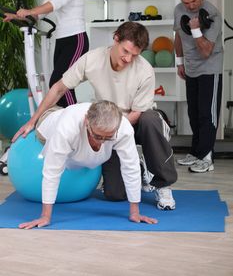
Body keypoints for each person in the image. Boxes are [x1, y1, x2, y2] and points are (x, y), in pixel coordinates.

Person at [13, 21, 177, 211]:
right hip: (107, 121)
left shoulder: (145, 71)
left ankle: (163, 184)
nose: (128, 59)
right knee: (115, 194)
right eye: (125, 51)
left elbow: (137, 113)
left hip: (135, 121)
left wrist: (110, 132)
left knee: (150, 119)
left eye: (134, 55)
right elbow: (59, 88)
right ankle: (141, 170)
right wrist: (33, 121)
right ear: (116, 38)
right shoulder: (92, 59)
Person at [18, 100, 157, 229]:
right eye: (97, 136)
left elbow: (130, 167)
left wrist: (134, 212)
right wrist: (45, 216)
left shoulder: (123, 128)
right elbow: (52, 171)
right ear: (86, 122)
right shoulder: (65, 129)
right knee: (59, 136)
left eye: (108, 137)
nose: (101, 142)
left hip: (79, 115)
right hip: (50, 120)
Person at [4, 0, 89, 108]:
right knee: (57, 83)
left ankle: (74, 121)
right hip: (62, 39)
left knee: (63, 83)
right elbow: (41, 13)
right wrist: (16, 16)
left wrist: (28, 11)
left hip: (76, 39)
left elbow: (55, 4)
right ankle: (66, 122)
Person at [174, 0, 223, 173]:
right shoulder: (179, 10)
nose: (191, 6)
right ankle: (196, 152)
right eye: (186, 2)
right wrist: (179, 61)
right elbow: (178, 35)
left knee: (206, 114)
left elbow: (206, 52)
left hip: (210, 68)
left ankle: (206, 157)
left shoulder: (213, 14)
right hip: (191, 68)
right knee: (193, 113)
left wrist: (195, 30)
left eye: (194, 1)